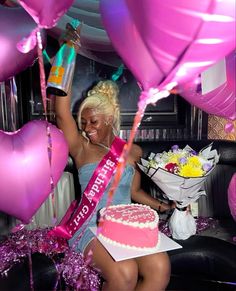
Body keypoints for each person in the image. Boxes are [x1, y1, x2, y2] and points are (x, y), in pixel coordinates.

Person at [55, 79, 173, 291]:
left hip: (124, 226)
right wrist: (69, 53)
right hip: (90, 227)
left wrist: (165, 207)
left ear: (109, 119)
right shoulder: (81, 148)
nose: (87, 128)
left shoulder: (132, 152)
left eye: (93, 121)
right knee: (125, 272)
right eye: (83, 123)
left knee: (160, 266)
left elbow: (134, 192)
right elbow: (62, 113)